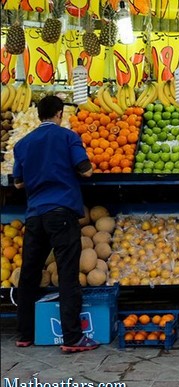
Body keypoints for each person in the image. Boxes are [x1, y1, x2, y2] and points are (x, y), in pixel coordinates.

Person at [12, 95, 99, 353]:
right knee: (68, 273)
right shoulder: (68, 137)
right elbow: (86, 170)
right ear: (60, 114)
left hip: (35, 215)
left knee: (29, 275)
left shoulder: (23, 144)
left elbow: (18, 183)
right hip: (61, 212)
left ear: (39, 115)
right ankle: (72, 338)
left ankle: (24, 334)